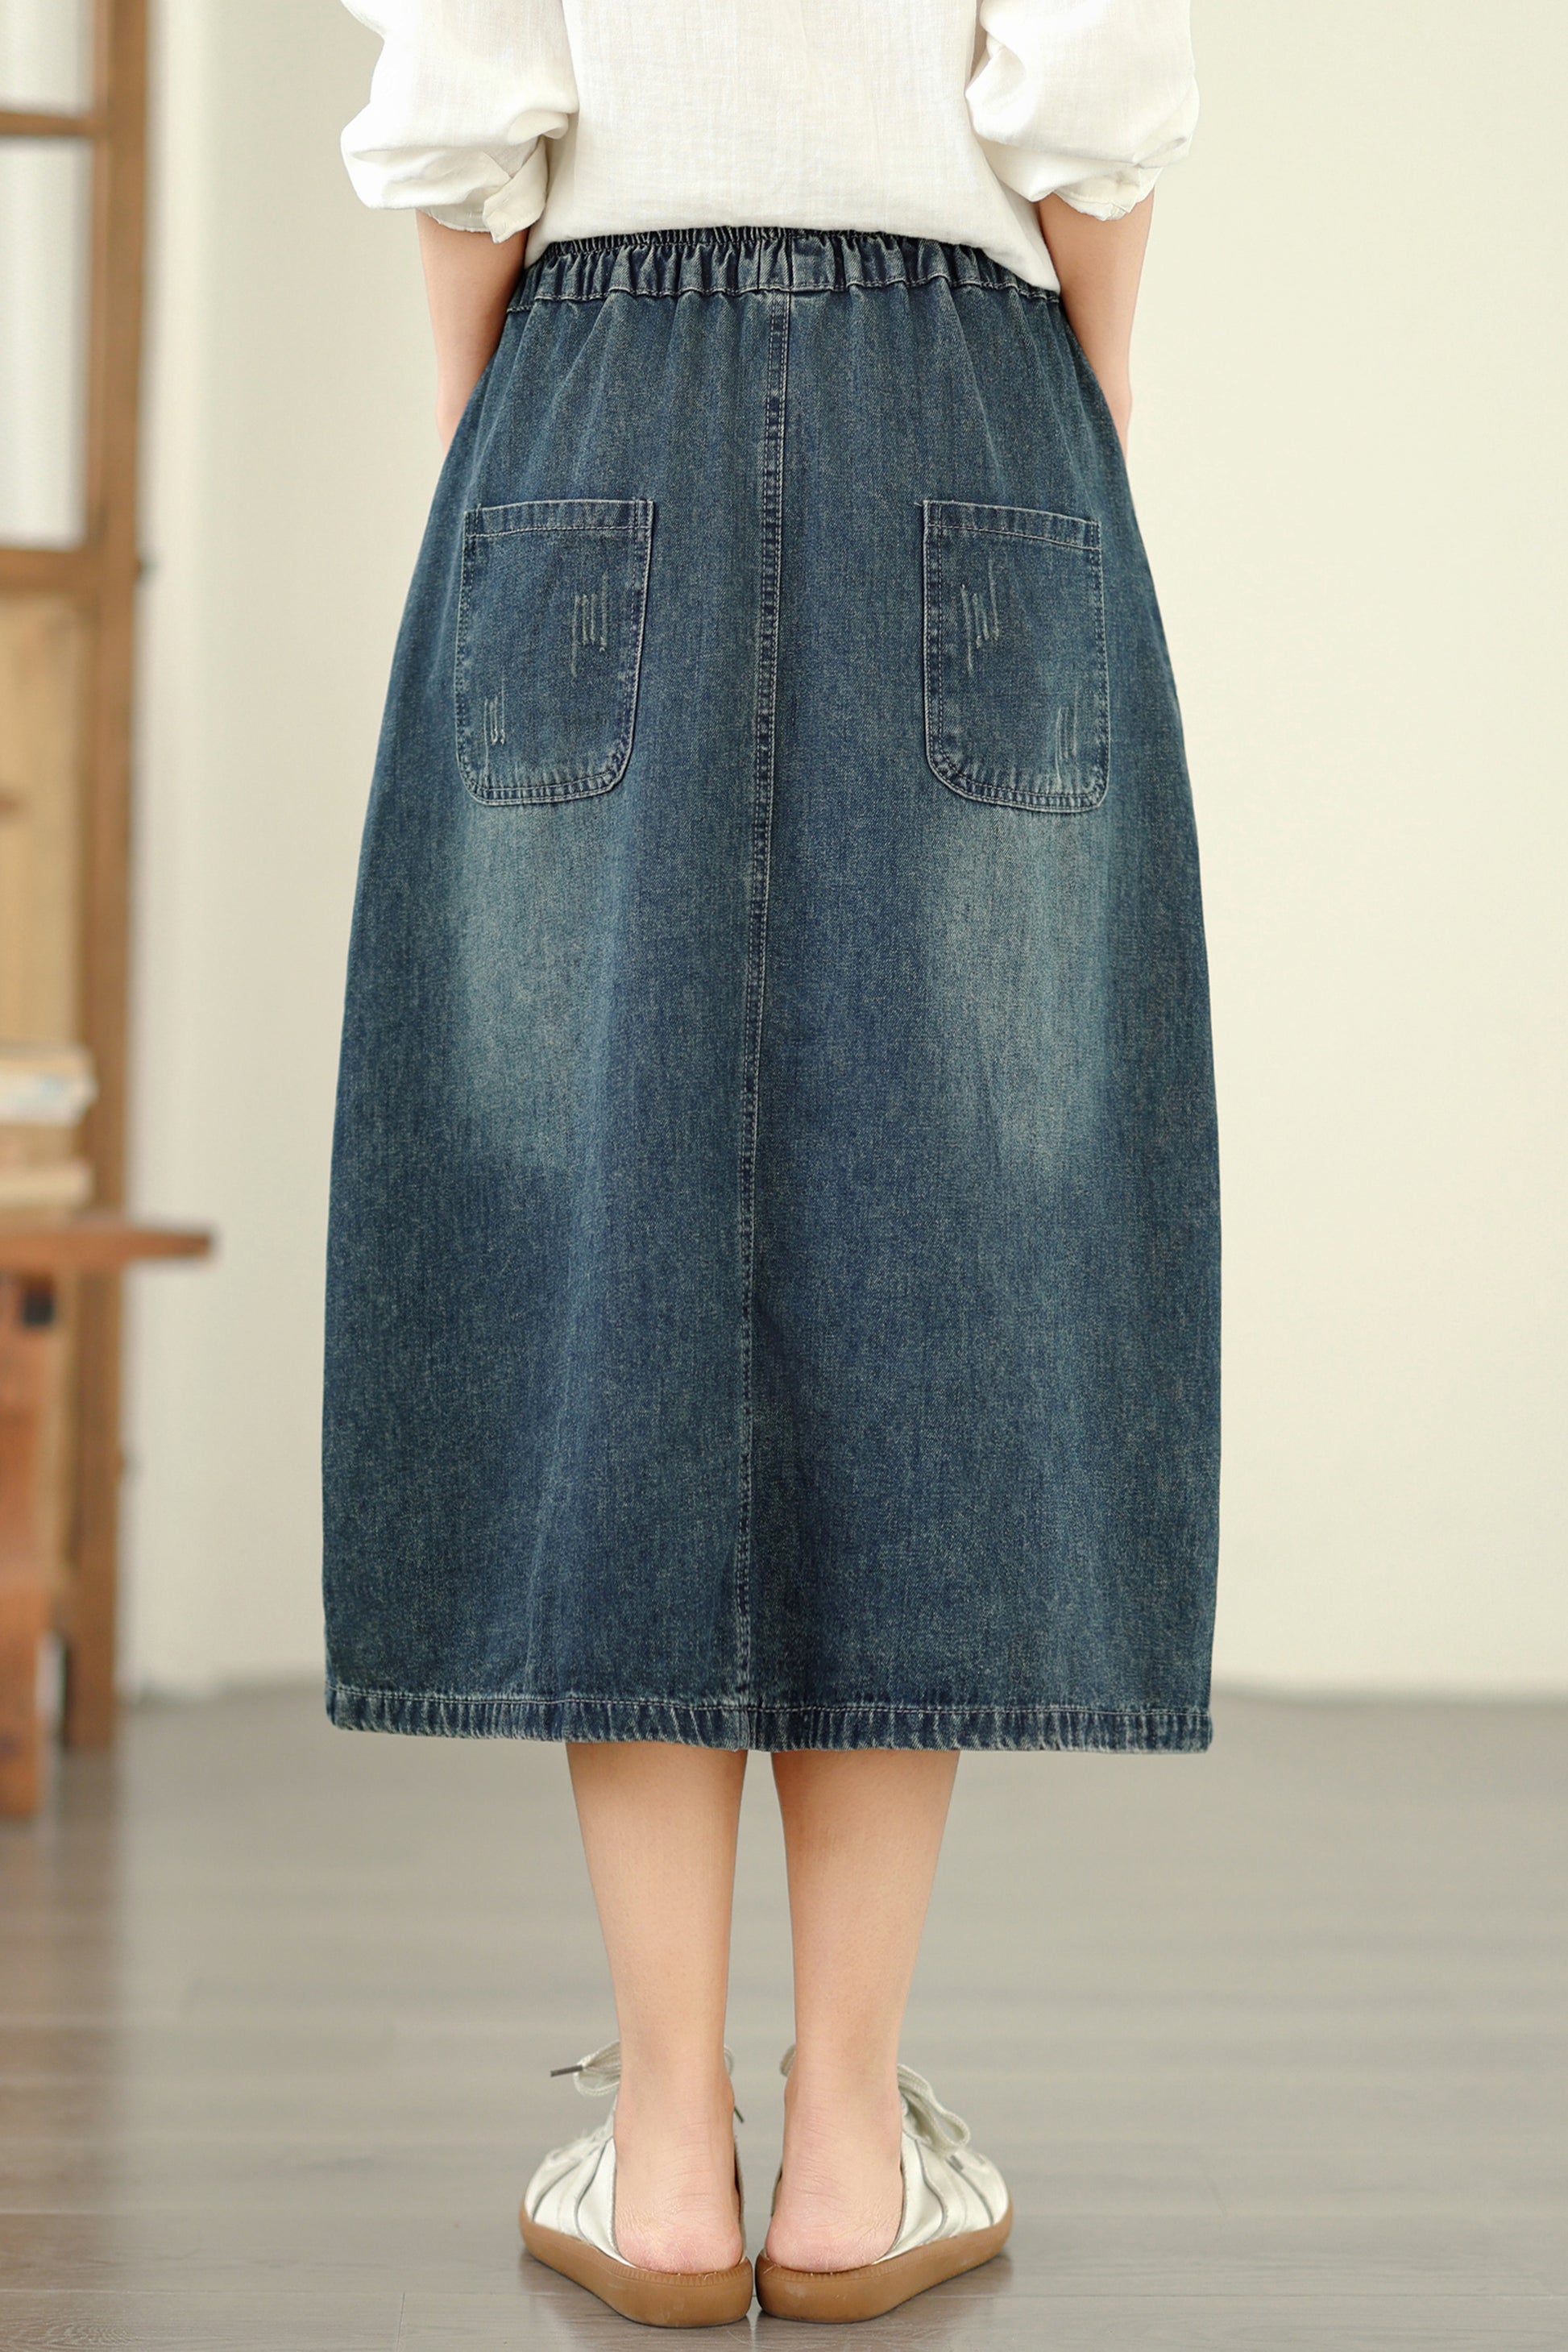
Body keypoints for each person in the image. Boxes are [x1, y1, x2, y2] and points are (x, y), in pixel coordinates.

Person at [328, 0, 1217, 2326]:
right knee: (931, 1225)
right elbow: (1091, 87)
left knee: (604, 1230)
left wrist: (487, 421)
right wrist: (1095, 378)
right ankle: (843, 2143)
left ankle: (659, 2149)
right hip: (968, 385)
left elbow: (467, 103)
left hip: (594, 374)